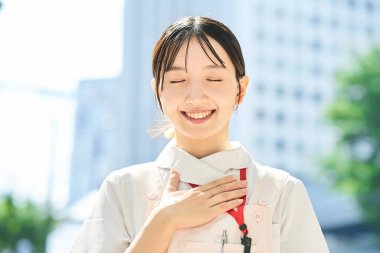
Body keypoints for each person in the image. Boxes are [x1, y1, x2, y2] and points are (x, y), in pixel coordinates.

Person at [71, 16, 330, 253]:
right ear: (158, 91)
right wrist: (164, 220)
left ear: (241, 89)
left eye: (213, 79)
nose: (195, 97)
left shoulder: (281, 192)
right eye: (177, 81)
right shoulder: (122, 189)